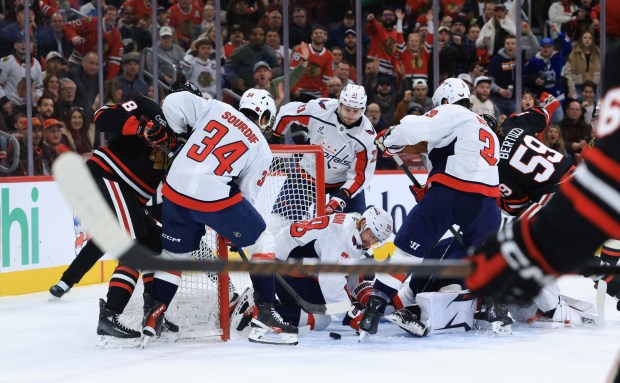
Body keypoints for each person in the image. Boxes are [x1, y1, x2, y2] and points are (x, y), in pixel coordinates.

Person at [145, 82, 302, 345]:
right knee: (263, 241)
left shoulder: (216, 107)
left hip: (174, 188)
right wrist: (234, 233)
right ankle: (264, 314)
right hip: (213, 197)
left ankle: (154, 313)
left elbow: (173, 102)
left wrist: (180, 132)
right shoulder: (262, 147)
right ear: (264, 117)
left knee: (174, 256)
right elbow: (247, 196)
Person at [361, 77, 501, 336]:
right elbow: (471, 165)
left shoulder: (454, 111)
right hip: (488, 203)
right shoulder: (484, 126)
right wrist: (429, 190)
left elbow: (415, 127)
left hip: (452, 193)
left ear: (446, 100)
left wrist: (391, 136)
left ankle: (374, 308)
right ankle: (494, 309)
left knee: (406, 253)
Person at [49, 93, 179, 339]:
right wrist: (142, 127)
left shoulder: (183, 140)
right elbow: (102, 116)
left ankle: (150, 310)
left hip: (131, 196)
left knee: (156, 245)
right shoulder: (148, 108)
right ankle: (109, 315)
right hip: (109, 178)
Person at [233, 207, 393, 334]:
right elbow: (331, 283)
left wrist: (366, 298)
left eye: (376, 239)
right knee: (321, 318)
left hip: (292, 262)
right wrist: (352, 315)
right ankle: (256, 310)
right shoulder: (340, 239)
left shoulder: (352, 224)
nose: (370, 242)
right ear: (363, 222)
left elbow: (357, 269)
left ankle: (268, 301)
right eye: (371, 235)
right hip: (281, 266)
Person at [270, 84, 376, 218]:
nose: (350, 115)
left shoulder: (367, 136)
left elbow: (361, 175)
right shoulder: (320, 109)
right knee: (279, 221)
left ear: (363, 110)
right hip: (307, 176)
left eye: (355, 111)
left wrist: (343, 195)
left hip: (341, 182)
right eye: (347, 109)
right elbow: (286, 113)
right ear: (340, 104)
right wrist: (274, 140)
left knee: (354, 224)